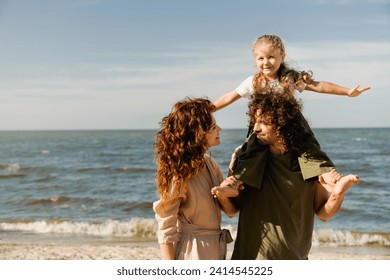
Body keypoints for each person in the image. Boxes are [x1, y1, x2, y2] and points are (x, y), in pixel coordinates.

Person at [213, 90, 359, 260]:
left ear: (282, 123)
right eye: (255, 121)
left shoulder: (308, 163)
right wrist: (222, 195)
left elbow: (323, 214)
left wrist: (338, 194)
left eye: (263, 122)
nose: (255, 128)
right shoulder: (249, 160)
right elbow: (233, 210)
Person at [213, 34, 370, 187]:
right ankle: (238, 180)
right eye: (261, 58)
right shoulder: (253, 82)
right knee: (251, 150)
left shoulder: (289, 78)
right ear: (255, 60)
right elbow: (229, 97)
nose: (266, 62)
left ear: (282, 55)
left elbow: (319, 86)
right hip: (263, 125)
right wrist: (208, 109)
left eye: (271, 57)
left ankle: (328, 175)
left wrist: (348, 92)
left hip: (290, 122)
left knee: (308, 146)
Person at [152, 97, 239, 260]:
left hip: (216, 246)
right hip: (192, 250)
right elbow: (166, 226)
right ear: (197, 135)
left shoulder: (209, 163)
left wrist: (225, 191)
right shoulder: (179, 173)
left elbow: (232, 211)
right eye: (213, 127)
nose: (219, 129)